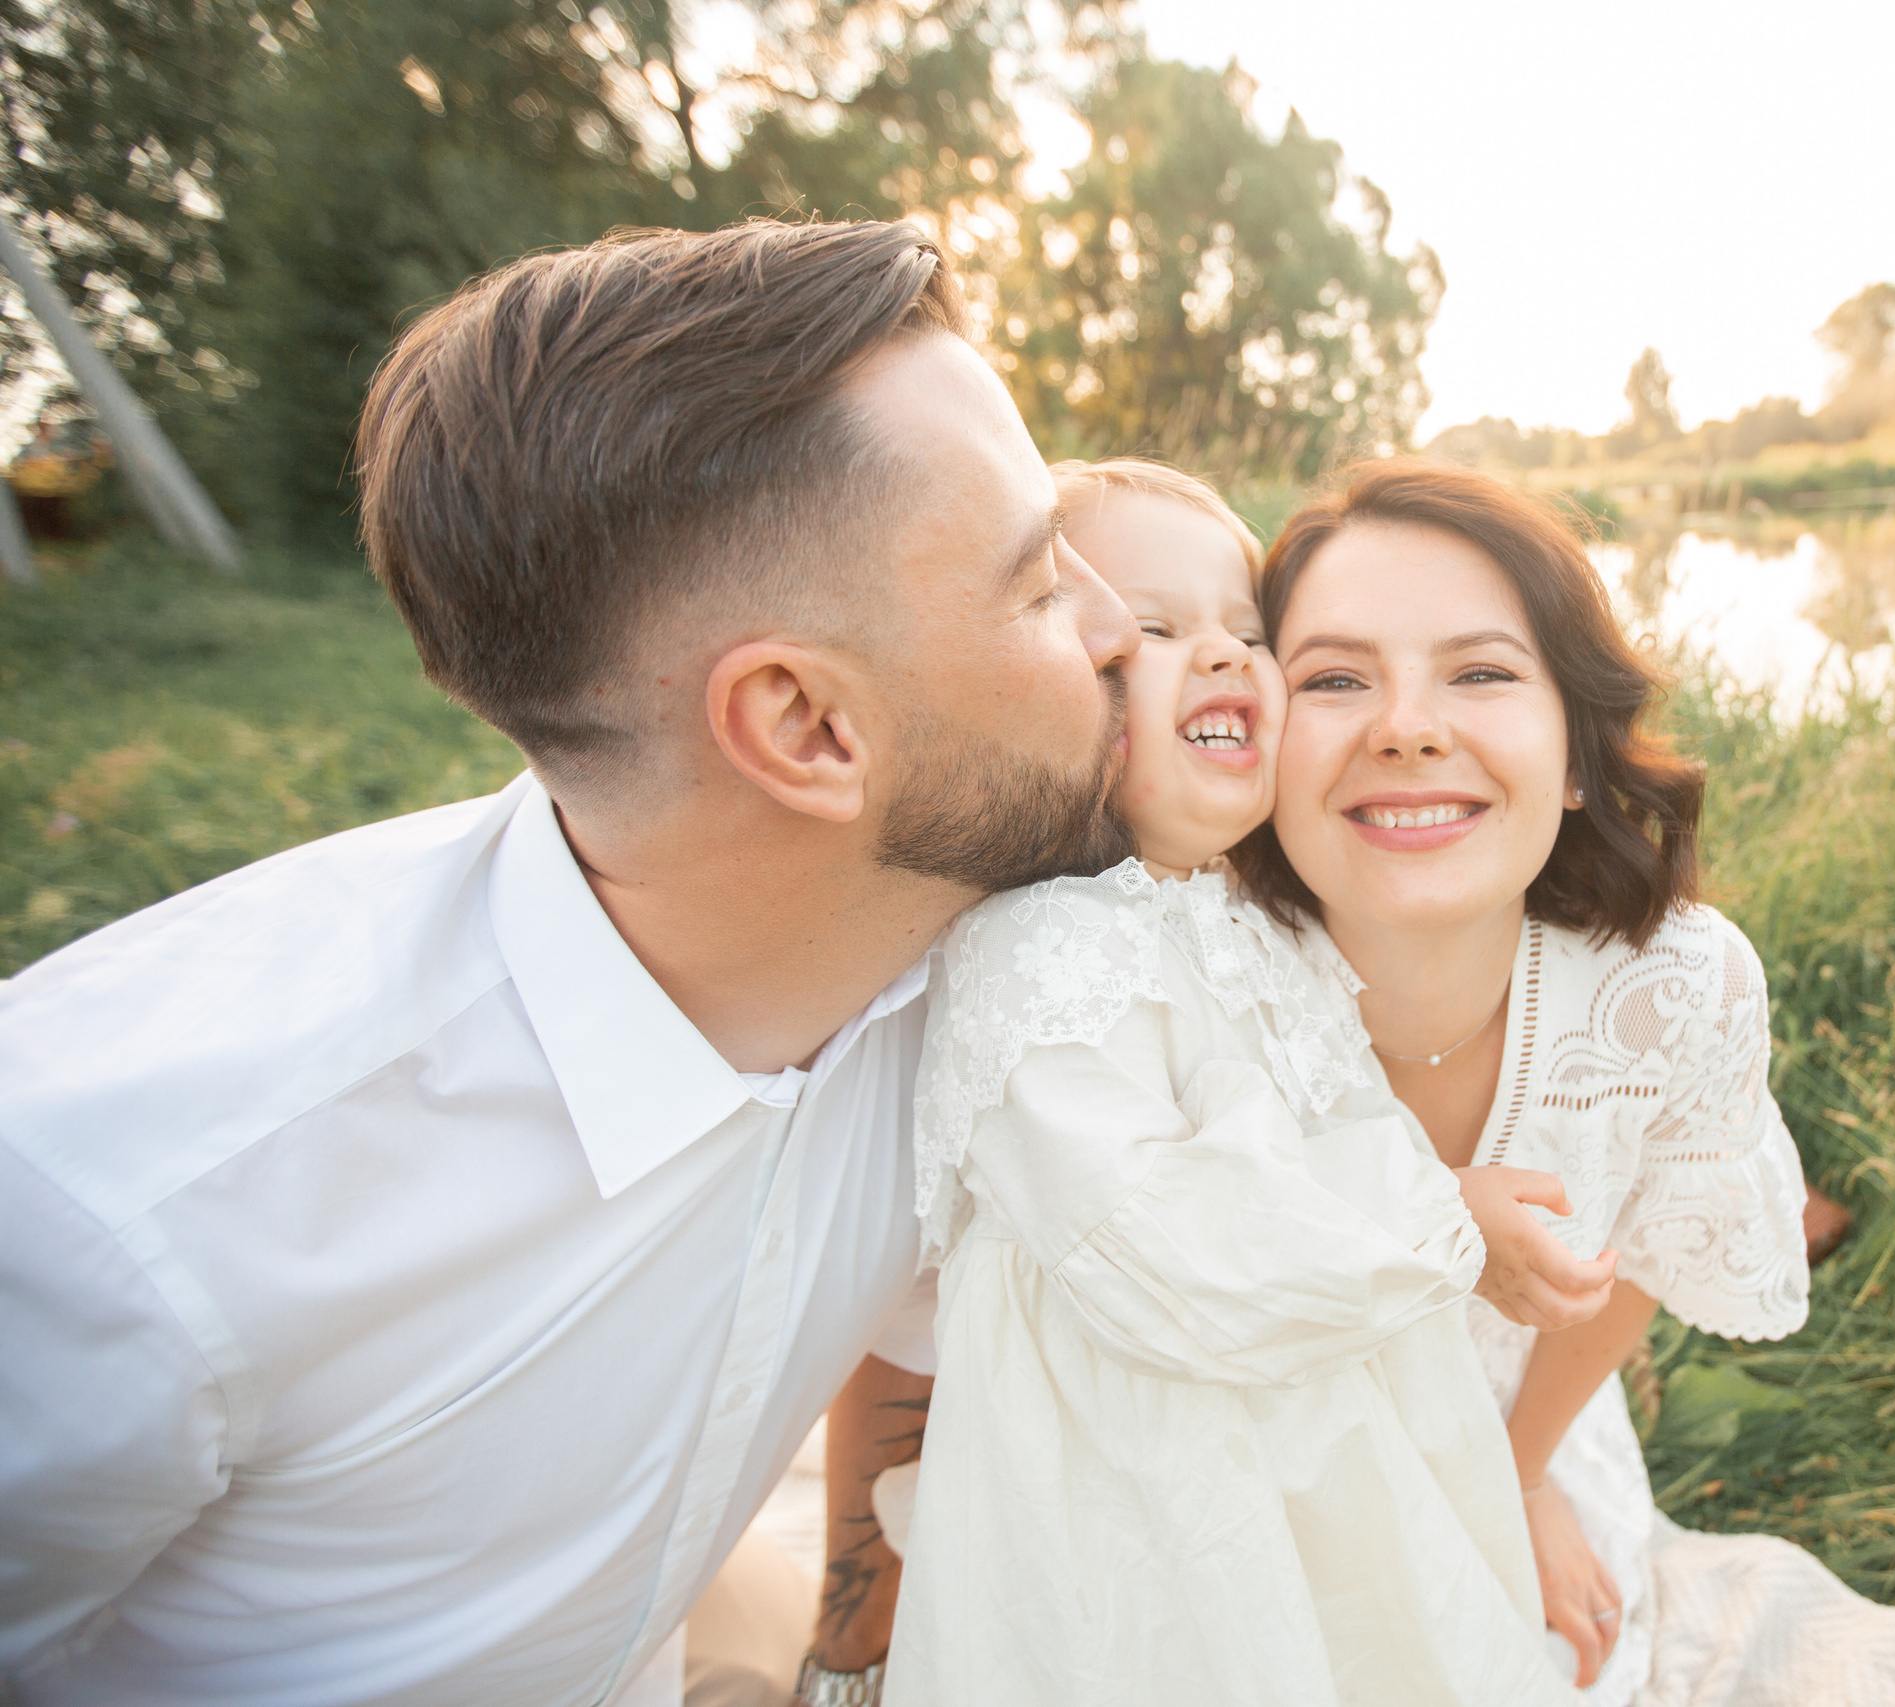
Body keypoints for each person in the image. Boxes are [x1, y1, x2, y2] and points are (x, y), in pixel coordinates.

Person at [0, 220, 1138, 1707]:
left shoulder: (980, 980)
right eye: (1042, 584)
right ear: (805, 727)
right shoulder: (114, 1206)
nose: (1120, 628)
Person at [1232, 461, 1895, 1706]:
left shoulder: (1675, 988)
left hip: (1518, 1420)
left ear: (1576, 756)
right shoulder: (1193, 969)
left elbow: (1639, 1255)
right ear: (1256, 733)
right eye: (1335, 678)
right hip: (1235, 1432)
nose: (1407, 727)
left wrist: (1515, 1479)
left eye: (1479, 672)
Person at [882, 460, 1585, 1707]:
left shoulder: (1255, 923)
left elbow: (1334, 1129)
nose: (1222, 657)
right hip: (1149, 1497)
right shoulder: (1037, 948)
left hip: (1330, 1438)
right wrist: (1440, 1217)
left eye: (1247, 632)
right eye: (1153, 631)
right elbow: (1152, 1242)